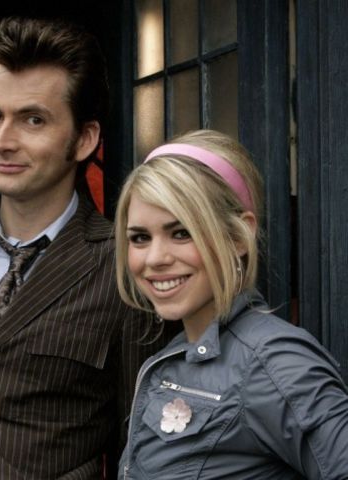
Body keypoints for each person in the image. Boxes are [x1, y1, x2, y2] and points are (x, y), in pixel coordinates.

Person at [0, 16, 169, 479]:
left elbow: (138, 445)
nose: (3, 142)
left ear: (84, 139)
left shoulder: (124, 267)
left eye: (32, 120)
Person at [114, 129, 348, 479]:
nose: (155, 258)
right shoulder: (177, 353)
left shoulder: (274, 361)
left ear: (238, 236)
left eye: (181, 233)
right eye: (140, 238)